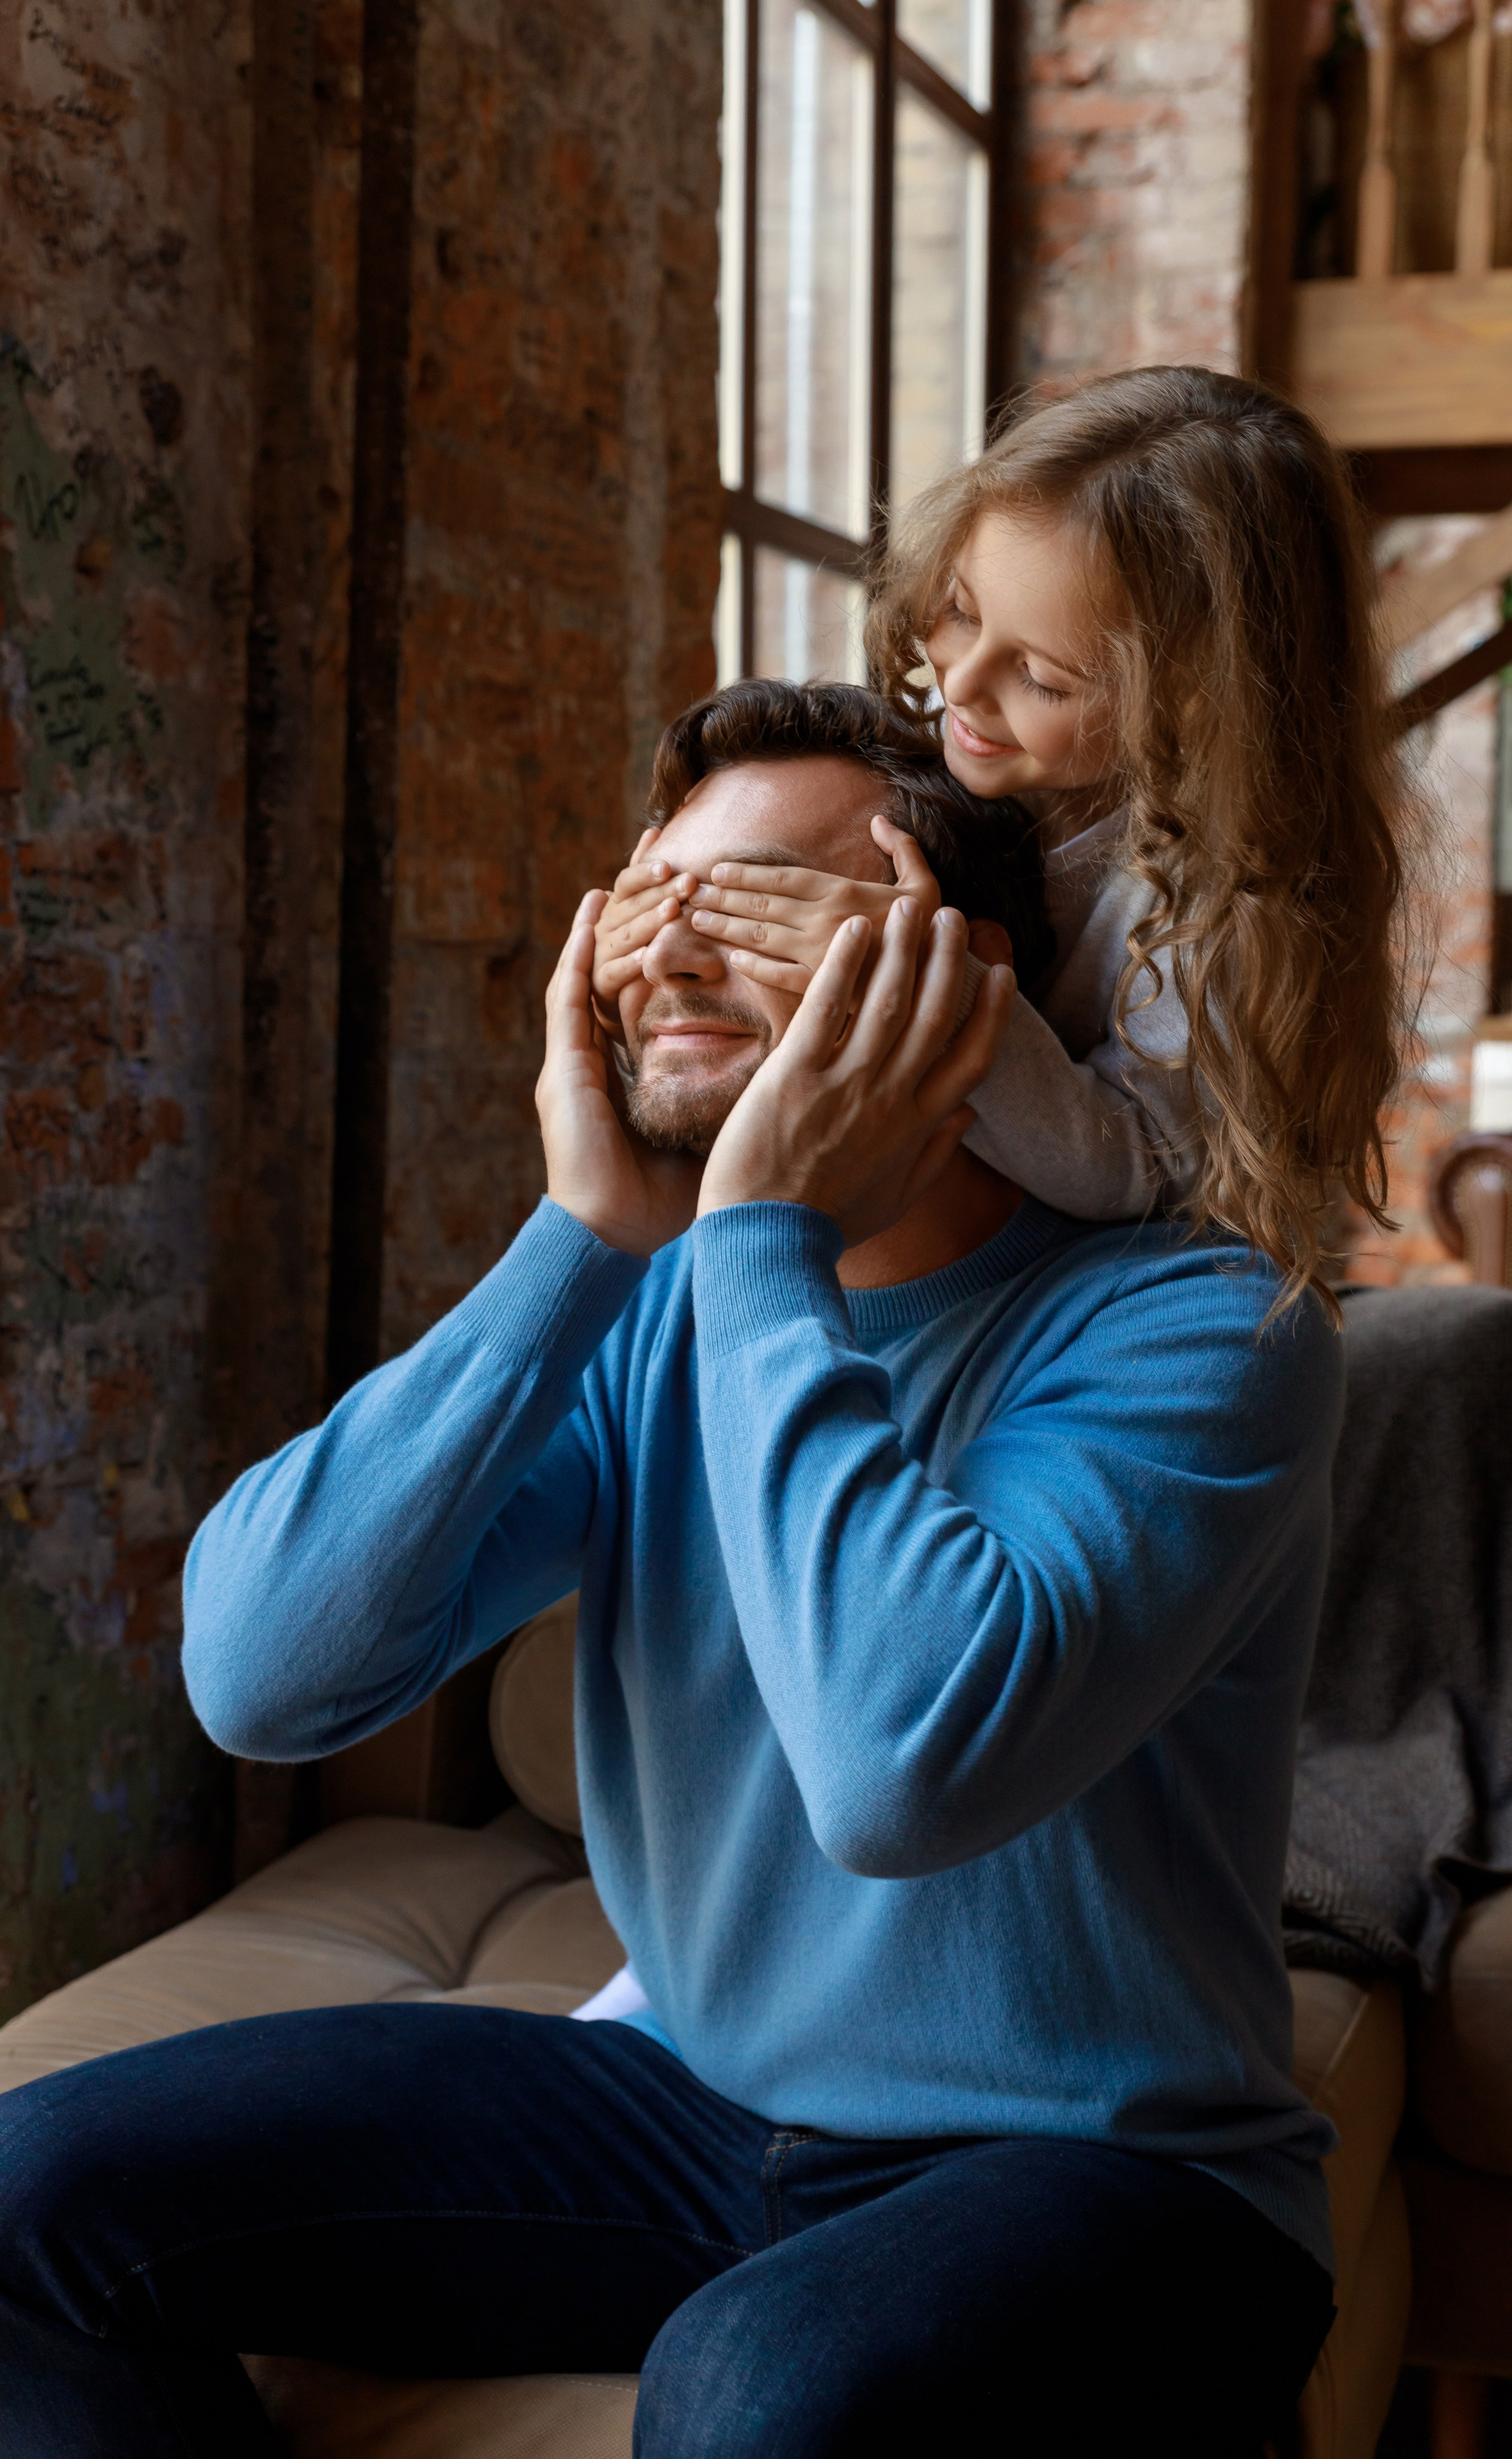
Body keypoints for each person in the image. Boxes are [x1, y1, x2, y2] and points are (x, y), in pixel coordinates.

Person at [0, 684, 1338, 2459]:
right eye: (648, 904)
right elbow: (261, 1673)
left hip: (1115, 2176)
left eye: (767, 902)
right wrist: (581, 1243)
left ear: (961, 980)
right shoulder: (644, 1317)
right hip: (699, 2112)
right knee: (28, 2204)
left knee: (756, 2393)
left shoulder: (1201, 1326)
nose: (671, 958)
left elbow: (901, 1764)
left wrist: (765, 1239)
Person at [594, 366, 1407, 1311]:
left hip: (1076, 1305)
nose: (963, 685)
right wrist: (641, 938)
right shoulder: (976, 753)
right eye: (960, 612)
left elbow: (1131, 1163)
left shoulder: (1220, 905)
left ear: (1196, 706)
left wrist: (919, 981)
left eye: (1044, 677)